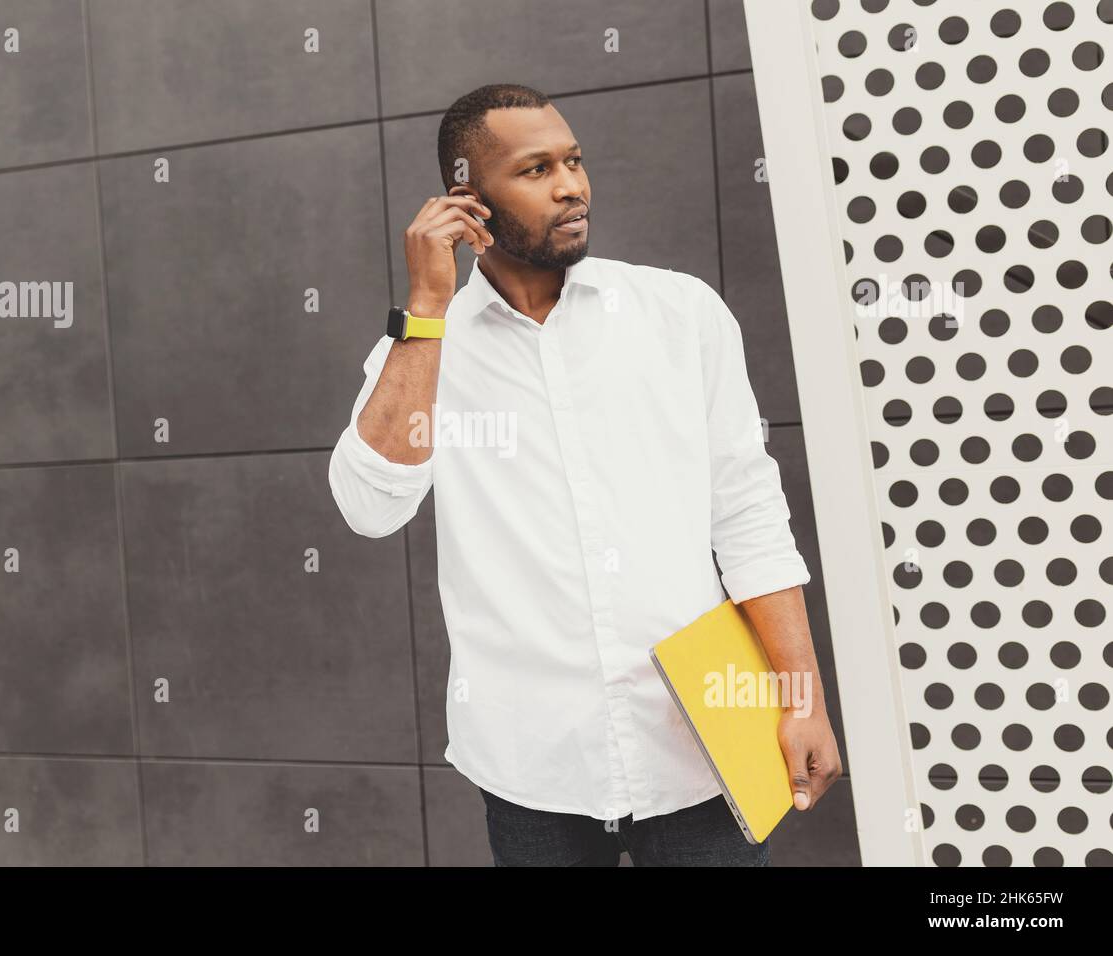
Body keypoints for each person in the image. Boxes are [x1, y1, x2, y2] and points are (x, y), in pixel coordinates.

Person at [329, 83, 840, 866]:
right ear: (468, 200)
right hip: (534, 768)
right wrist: (426, 307)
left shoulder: (679, 313)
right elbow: (369, 503)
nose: (571, 184)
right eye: (536, 170)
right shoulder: (428, 349)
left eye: (573, 160)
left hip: (698, 749)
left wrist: (799, 694)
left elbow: (748, 514)